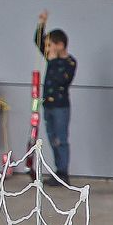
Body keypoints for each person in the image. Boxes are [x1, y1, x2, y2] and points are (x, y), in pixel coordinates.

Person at [35, 11, 76, 184]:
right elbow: (38, 41)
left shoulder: (69, 62)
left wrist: (52, 61)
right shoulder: (51, 58)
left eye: (50, 45)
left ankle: (63, 172)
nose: (47, 49)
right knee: (52, 138)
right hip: (48, 105)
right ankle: (57, 171)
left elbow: (63, 80)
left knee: (61, 139)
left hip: (60, 106)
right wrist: (41, 24)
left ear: (60, 45)